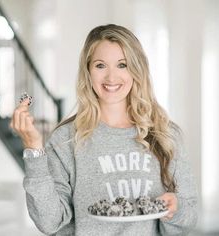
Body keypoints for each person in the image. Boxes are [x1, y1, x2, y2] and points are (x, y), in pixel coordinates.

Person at [10, 24, 198, 236]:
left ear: (137, 69)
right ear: (88, 71)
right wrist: (33, 148)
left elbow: (190, 215)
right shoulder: (66, 139)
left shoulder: (166, 135)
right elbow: (50, 222)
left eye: (122, 65)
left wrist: (175, 208)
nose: (111, 77)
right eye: (100, 66)